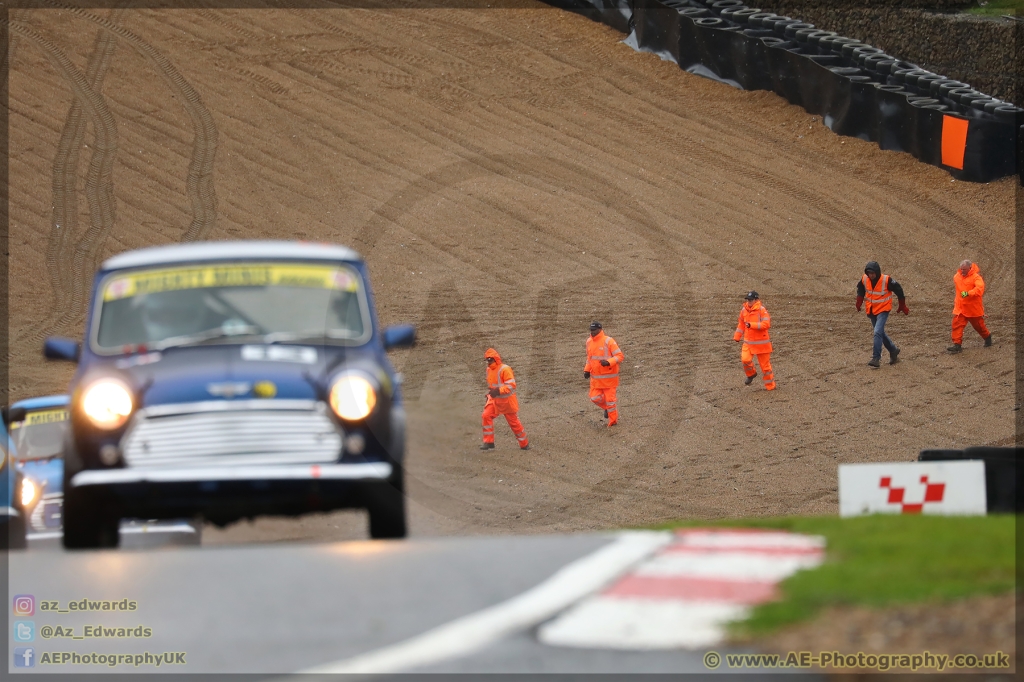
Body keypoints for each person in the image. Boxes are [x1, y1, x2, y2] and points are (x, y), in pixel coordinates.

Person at [855, 261, 908, 368]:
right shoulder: (865, 278)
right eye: (869, 273)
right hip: (871, 309)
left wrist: (902, 304)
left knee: (877, 332)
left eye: (873, 273)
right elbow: (860, 288)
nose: (871, 275)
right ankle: (893, 350)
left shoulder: (886, 280)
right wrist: (859, 299)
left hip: (883, 309)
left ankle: (876, 358)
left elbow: (898, 289)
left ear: (877, 272)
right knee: (879, 333)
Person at [480, 348, 529, 451]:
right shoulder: (488, 370)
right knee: (486, 415)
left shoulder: (505, 369)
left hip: (507, 402)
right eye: (487, 360)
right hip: (495, 400)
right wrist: (490, 394)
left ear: (496, 359)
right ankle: (488, 442)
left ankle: (524, 444)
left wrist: (497, 391)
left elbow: (511, 386)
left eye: (490, 359)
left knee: (514, 423)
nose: (488, 362)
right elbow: (492, 386)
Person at [584, 321, 624, 426]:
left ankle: (613, 422)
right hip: (596, 379)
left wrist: (608, 362)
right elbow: (590, 359)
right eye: (591, 330)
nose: (592, 332)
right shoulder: (589, 342)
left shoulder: (608, 341)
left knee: (611, 402)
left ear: (600, 329)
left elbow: (619, 356)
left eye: (594, 330)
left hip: (609, 380)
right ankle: (607, 409)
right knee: (594, 398)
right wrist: (587, 370)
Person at [733, 291, 775, 390]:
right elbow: (741, 324)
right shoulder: (744, 310)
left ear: (756, 300)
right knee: (745, 359)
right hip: (748, 342)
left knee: (765, 367)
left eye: (751, 300)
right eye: (747, 299)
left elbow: (766, 324)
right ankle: (751, 374)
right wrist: (737, 336)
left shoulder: (762, 310)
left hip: (762, 343)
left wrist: (752, 325)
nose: (749, 301)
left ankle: (770, 386)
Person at [948, 259, 992, 353]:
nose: (962, 271)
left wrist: (969, 293)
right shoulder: (957, 277)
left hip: (973, 308)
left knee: (979, 326)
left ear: (970, 268)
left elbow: (980, 289)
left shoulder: (976, 277)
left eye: (964, 269)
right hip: (961, 307)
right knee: (956, 325)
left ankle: (987, 337)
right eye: (961, 269)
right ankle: (957, 345)